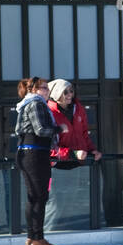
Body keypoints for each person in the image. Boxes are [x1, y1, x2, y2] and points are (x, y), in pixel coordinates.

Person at [45, 79, 101, 231]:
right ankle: (45, 232)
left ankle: (64, 232)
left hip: (76, 163)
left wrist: (92, 150)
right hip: (56, 165)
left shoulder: (78, 108)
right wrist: (70, 153)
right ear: (56, 93)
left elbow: (84, 134)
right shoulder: (49, 111)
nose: (70, 94)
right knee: (55, 202)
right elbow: (47, 145)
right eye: (66, 91)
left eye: (71, 91)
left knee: (70, 200)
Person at [14, 77, 61, 245]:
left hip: (32, 152)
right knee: (39, 196)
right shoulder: (36, 103)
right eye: (44, 88)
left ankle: (32, 237)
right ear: (34, 89)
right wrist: (59, 128)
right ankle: (37, 237)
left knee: (35, 196)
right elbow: (41, 129)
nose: (47, 91)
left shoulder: (31, 103)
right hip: (34, 152)